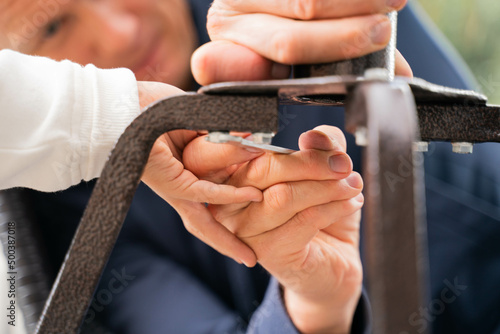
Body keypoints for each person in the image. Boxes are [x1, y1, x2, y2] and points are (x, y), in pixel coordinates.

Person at [1, 0, 499, 333]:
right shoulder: (72, 218)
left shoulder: (268, 8)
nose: (122, 29)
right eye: (52, 25)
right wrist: (314, 306)